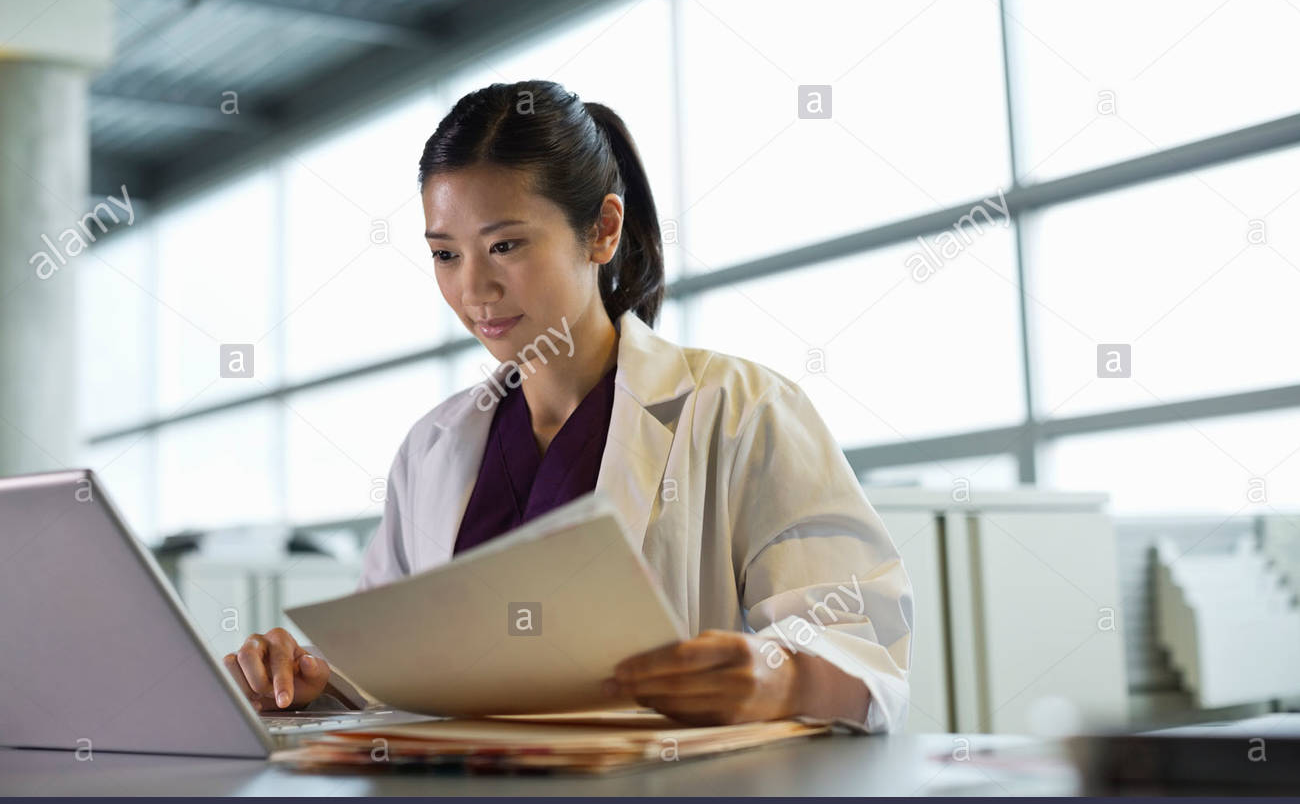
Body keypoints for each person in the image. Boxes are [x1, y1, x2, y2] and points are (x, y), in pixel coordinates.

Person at [224, 80, 913, 733]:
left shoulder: (740, 410)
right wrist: (309, 680)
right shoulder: (431, 447)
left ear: (603, 230)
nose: (474, 289)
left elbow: (860, 632)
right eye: (445, 254)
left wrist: (781, 679)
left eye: (505, 245)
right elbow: (386, 666)